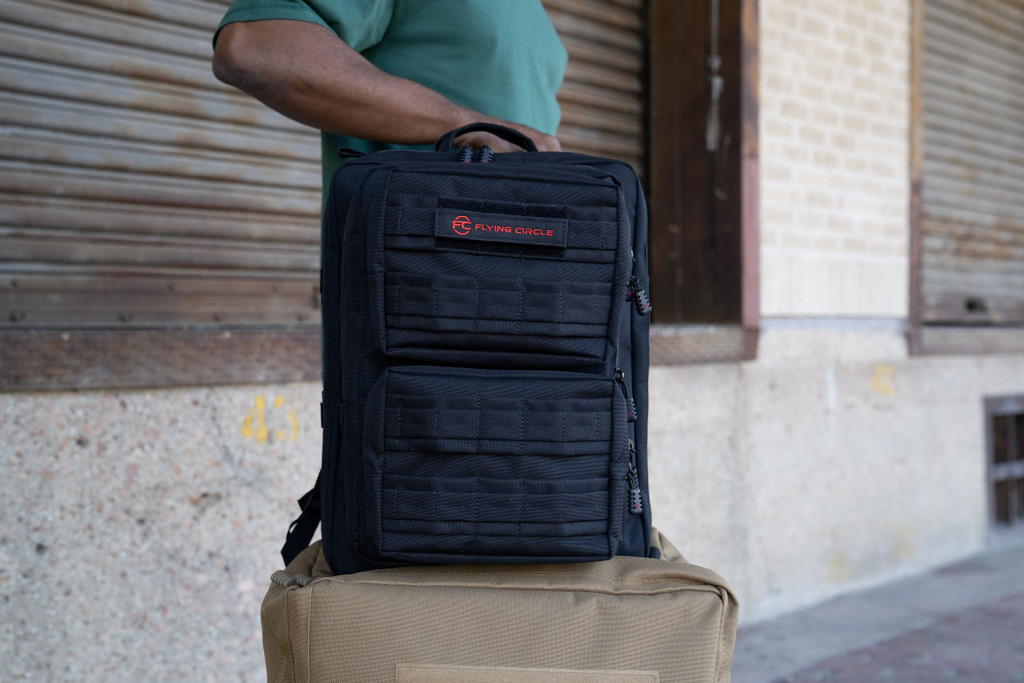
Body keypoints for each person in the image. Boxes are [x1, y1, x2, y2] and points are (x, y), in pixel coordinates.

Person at [212, 0, 567, 194]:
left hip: (528, 284)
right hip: (422, 290)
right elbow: (254, 46)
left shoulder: (537, 14)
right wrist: (464, 125)